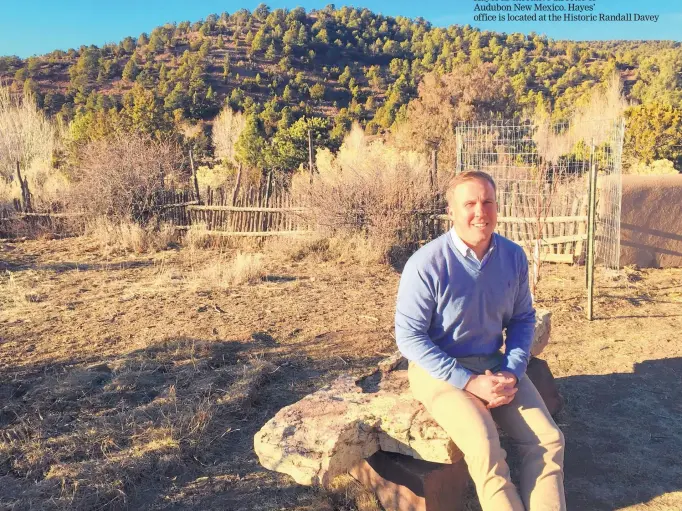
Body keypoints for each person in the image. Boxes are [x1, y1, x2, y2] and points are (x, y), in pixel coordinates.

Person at [395, 170, 566, 511]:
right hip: (440, 373)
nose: (480, 211)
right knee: (486, 448)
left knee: (548, 441)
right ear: (452, 211)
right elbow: (409, 336)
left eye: (487, 202)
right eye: (469, 203)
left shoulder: (513, 256)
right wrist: (469, 382)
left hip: (493, 365)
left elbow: (521, 319)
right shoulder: (427, 264)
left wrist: (512, 371)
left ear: (497, 206)